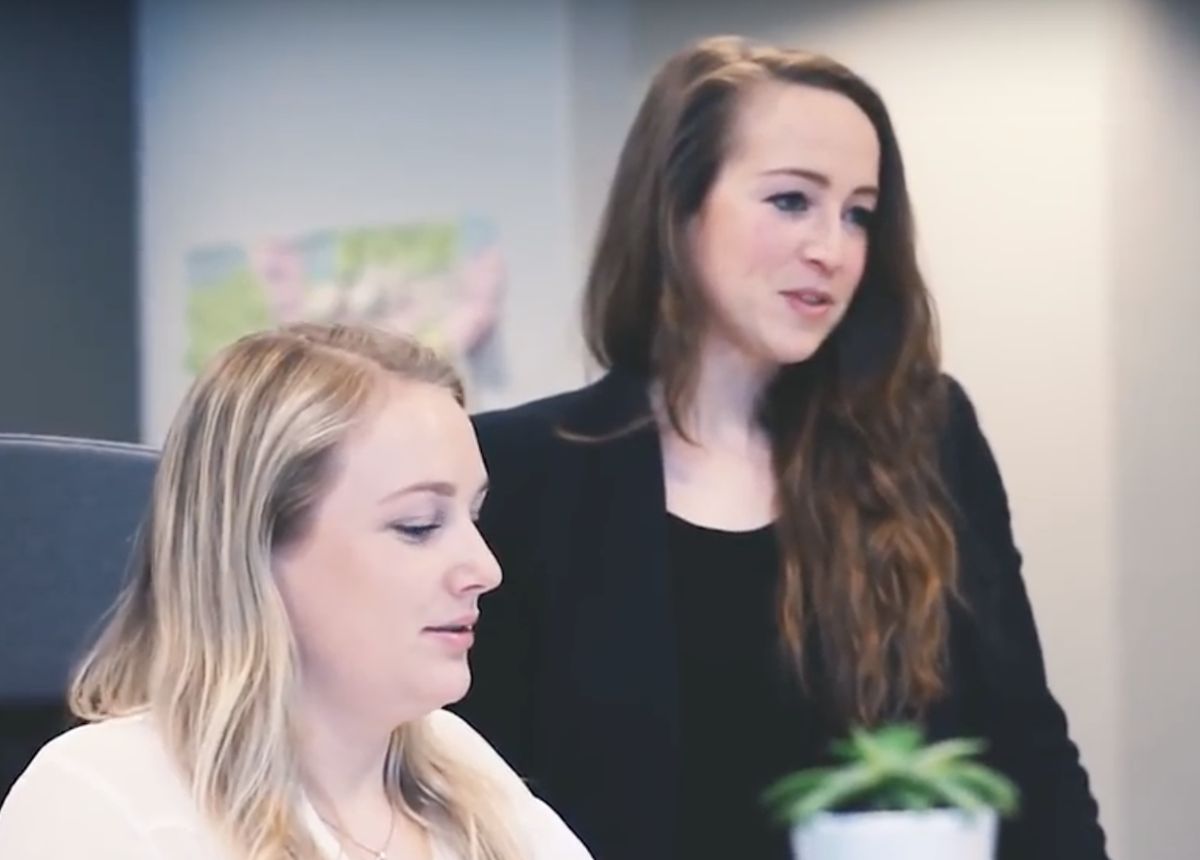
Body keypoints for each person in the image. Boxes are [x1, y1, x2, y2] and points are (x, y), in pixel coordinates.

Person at [453, 35, 1109, 860]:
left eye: (859, 213)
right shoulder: (520, 471)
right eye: (792, 201)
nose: (832, 249)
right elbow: (469, 785)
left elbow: (1027, 744)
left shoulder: (929, 436)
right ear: (677, 206)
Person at [0, 324, 593, 860]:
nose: (485, 568)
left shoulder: (460, 771)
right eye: (418, 526)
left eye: (474, 515)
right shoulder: (99, 801)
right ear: (254, 548)